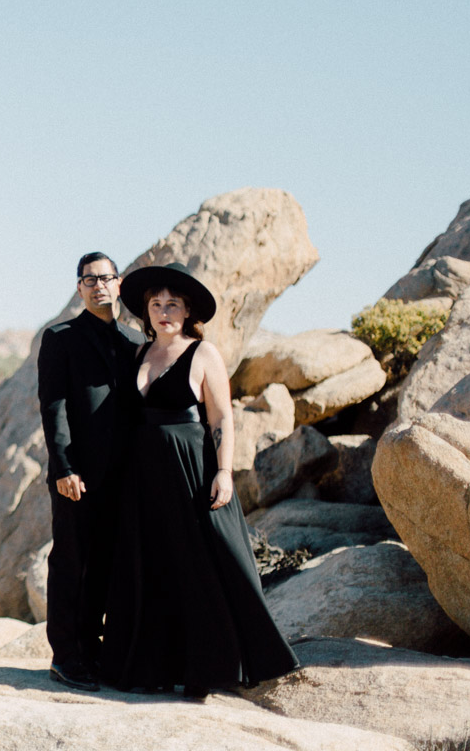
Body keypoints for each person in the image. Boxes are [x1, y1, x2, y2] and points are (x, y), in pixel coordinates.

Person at [102, 262, 299, 697]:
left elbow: (221, 416)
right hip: (145, 477)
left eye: (172, 304)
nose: (164, 311)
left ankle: (213, 668)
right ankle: (154, 668)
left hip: (191, 469)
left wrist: (224, 472)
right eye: (156, 304)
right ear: (146, 311)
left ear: (187, 310)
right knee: (153, 567)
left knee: (204, 564)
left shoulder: (202, 353)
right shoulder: (138, 354)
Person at [37, 251, 143, 692]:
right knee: (71, 564)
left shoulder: (136, 341)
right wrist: (64, 466)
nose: (98, 285)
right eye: (88, 279)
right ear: (79, 288)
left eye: (105, 277)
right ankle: (66, 657)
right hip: (76, 475)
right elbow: (53, 405)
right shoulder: (60, 337)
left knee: (106, 566)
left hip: (124, 477)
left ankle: (94, 651)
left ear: (118, 284)